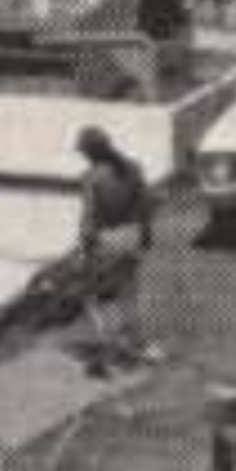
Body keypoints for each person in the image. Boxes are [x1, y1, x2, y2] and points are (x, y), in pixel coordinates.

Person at [74, 126, 158, 370]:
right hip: (131, 235)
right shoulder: (133, 168)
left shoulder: (91, 177)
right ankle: (138, 344)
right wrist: (145, 237)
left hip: (106, 240)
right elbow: (146, 207)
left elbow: (89, 218)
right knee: (129, 294)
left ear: (90, 153)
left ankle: (109, 349)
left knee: (94, 297)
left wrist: (84, 248)